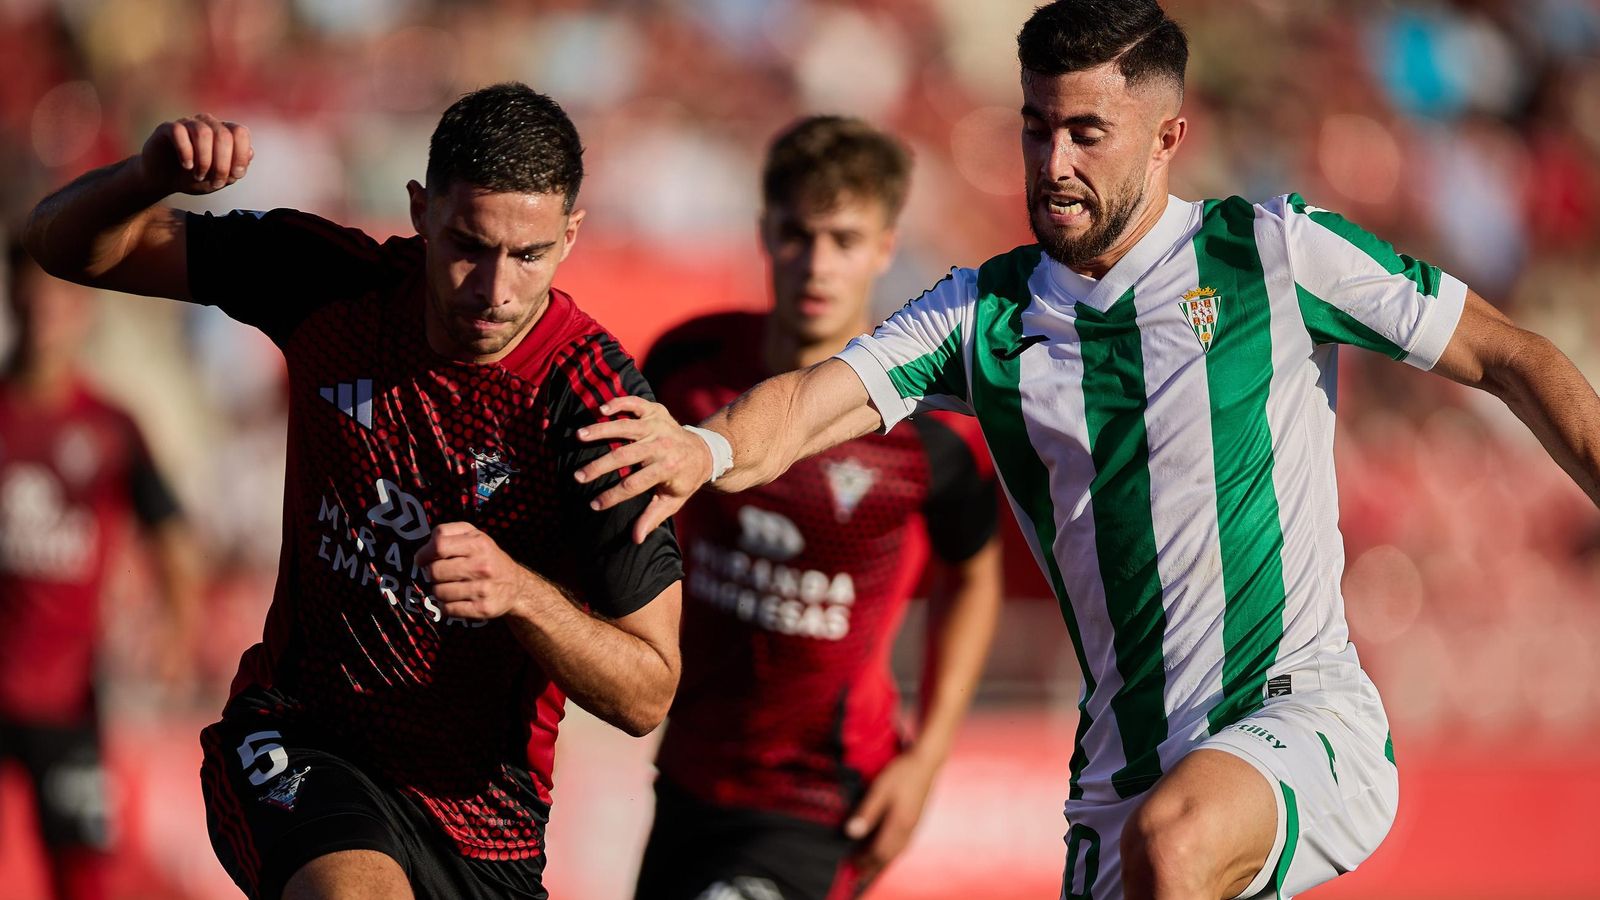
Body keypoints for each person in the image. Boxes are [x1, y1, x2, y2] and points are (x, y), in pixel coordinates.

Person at [572, 2, 1600, 898]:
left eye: (1086, 133)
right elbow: (807, 404)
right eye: (1037, 128)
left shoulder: (1274, 253)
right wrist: (703, 448)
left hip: (1298, 715)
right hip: (1118, 777)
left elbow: (1512, 356)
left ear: (1166, 138)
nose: (1053, 163)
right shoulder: (981, 313)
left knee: (1180, 838)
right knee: (1166, 837)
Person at [23, 83, 684, 900]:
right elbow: (60, 245)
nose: (495, 289)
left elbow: (648, 691)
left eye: (528, 256)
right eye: (469, 245)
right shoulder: (331, 284)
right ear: (420, 211)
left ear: (571, 237)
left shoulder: (597, 412)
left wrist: (521, 595)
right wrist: (145, 178)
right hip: (303, 739)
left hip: (487, 828)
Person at [631, 116, 1003, 900]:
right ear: (765, 233)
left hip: (824, 796)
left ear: (885, 247)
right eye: (799, 234)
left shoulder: (930, 432)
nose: (818, 264)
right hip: (689, 770)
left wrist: (927, 758)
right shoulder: (687, 362)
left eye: (845, 239)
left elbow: (975, 579)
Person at [0, 241, 201, 900]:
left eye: (57, 295)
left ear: (81, 309)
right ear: (12, 297)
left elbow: (171, 534)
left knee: (82, 874)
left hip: (68, 697)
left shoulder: (111, 427)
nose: (43, 311)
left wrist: (175, 632)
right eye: (30, 292)